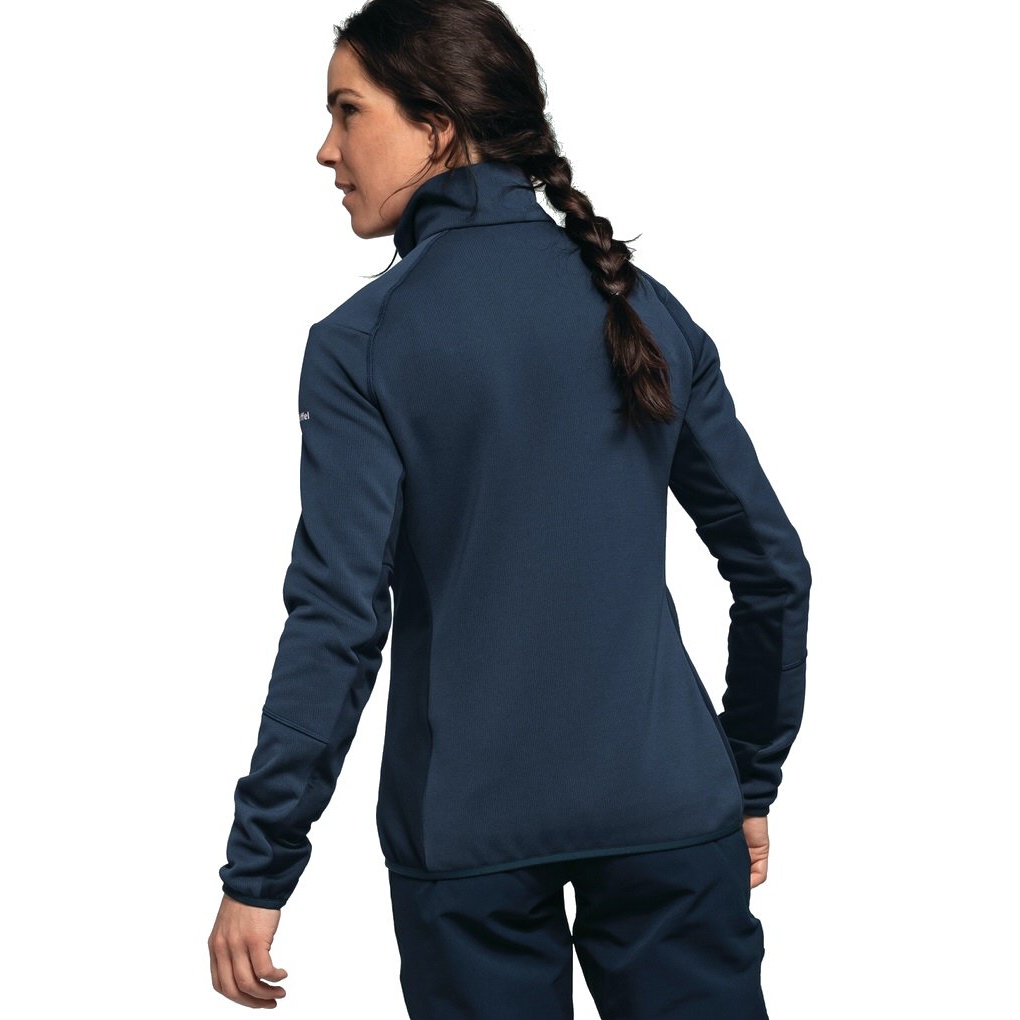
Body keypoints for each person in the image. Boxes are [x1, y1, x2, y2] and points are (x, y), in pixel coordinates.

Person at [207, 1, 812, 1016]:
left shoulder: (364, 344)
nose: (326, 149)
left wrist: (260, 865)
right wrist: (744, 778)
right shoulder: (644, 308)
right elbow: (775, 573)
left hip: (465, 840)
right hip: (671, 811)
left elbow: (339, 621)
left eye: (348, 111)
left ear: (437, 124)